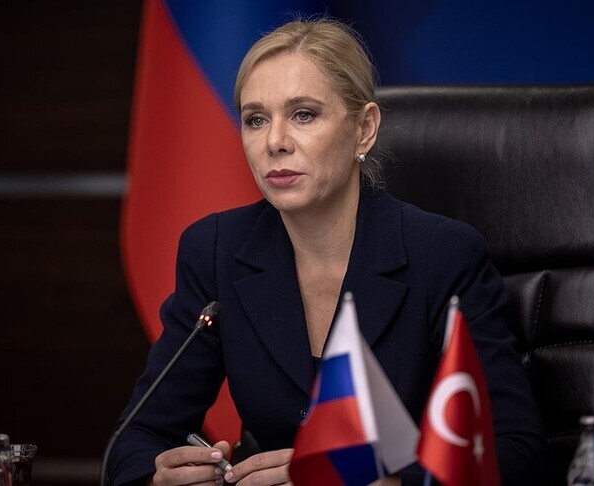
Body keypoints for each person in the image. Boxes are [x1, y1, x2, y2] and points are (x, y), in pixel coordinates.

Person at [110, 17, 546, 486]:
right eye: (255, 119)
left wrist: (362, 479)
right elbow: (135, 439)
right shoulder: (217, 250)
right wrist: (158, 476)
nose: (275, 142)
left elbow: (516, 452)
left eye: (303, 114)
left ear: (364, 129)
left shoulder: (442, 255)